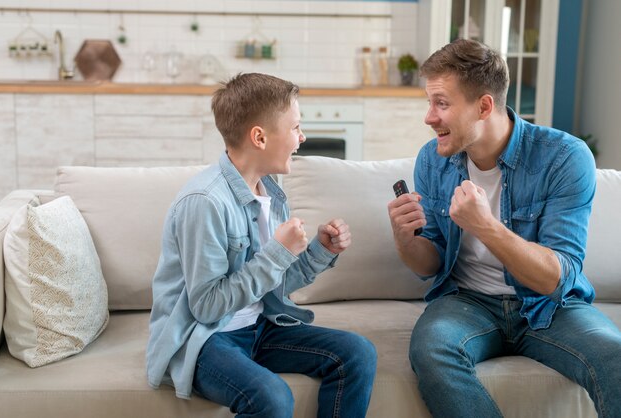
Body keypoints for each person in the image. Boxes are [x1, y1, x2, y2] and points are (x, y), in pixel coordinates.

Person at [387, 39, 621, 417]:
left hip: (551, 307)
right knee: (432, 350)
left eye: (441, 103)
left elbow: (556, 279)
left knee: (616, 357)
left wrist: (485, 226)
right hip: (468, 302)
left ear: (484, 106)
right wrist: (404, 238)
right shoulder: (432, 159)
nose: (429, 117)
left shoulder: (564, 158)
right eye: (429, 103)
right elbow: (428, 263)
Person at [147, 72, 377, 418]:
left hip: (259, 328)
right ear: (259, 137)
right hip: (207, 339)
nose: (302, 137)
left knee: (358, 353)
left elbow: (273, 282)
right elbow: (208, 307)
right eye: (296, 127)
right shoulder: (205, 202)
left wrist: (320, 251)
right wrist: (280, 251)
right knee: (272, 396)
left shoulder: (270, 191)